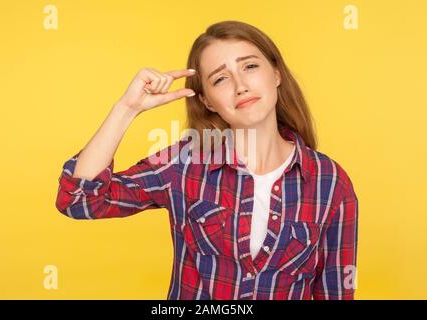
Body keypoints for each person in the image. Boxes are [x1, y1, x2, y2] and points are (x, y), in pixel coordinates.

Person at [55, 20, 358, 300]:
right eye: (220, 79)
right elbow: (80, 200)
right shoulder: (186, 163)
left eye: (250, 66)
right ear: (207, 100)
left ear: (276, 74)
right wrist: (127, 108)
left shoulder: (330, 182)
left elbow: (335, 292)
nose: (241, 86)